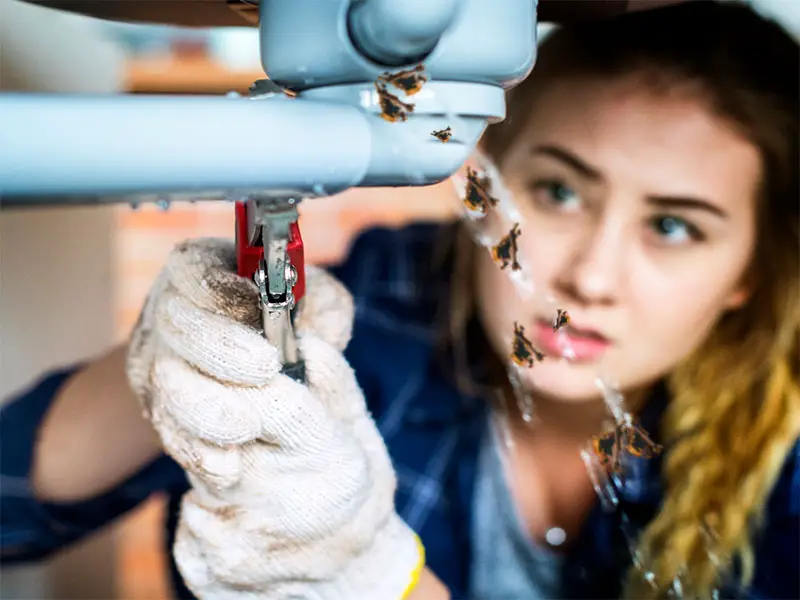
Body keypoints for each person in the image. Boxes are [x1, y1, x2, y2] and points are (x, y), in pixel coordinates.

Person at [2, 1, 798, 598]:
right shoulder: (385, 302)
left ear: (748, 275)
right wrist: (155, 371)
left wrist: (376, 579)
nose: (591, 278)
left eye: (672, 226)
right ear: (488, 183)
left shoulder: (784, 452)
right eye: (557, 190)